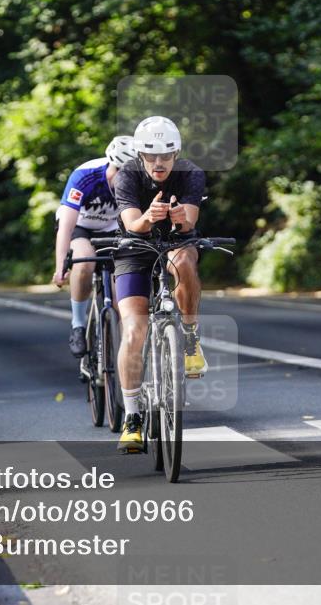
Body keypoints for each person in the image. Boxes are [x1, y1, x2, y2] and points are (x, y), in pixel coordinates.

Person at [112, 116, 206, 453]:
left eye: (166, 155)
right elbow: (130, 223)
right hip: (135, 249)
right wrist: (148, 217)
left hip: (175, 243)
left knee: (184, 259)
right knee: (134, 331)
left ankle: (191, 339)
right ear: (139, 155)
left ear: (176, 153)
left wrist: (181, 221)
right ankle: (132, 418)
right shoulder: (126, 176)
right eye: (151, 155)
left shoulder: (191, 173)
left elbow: (190, 220)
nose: (159, 162)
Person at [53, 136, 137, 356]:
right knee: (85, 258)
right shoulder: (84, 176)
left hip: (114, 230)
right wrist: (60, 266)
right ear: (111, 165)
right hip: (80, 226)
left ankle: (127, 351)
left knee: (123, 290)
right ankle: (78, 325)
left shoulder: (137, 182)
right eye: (119, 171)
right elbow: (65, 227)